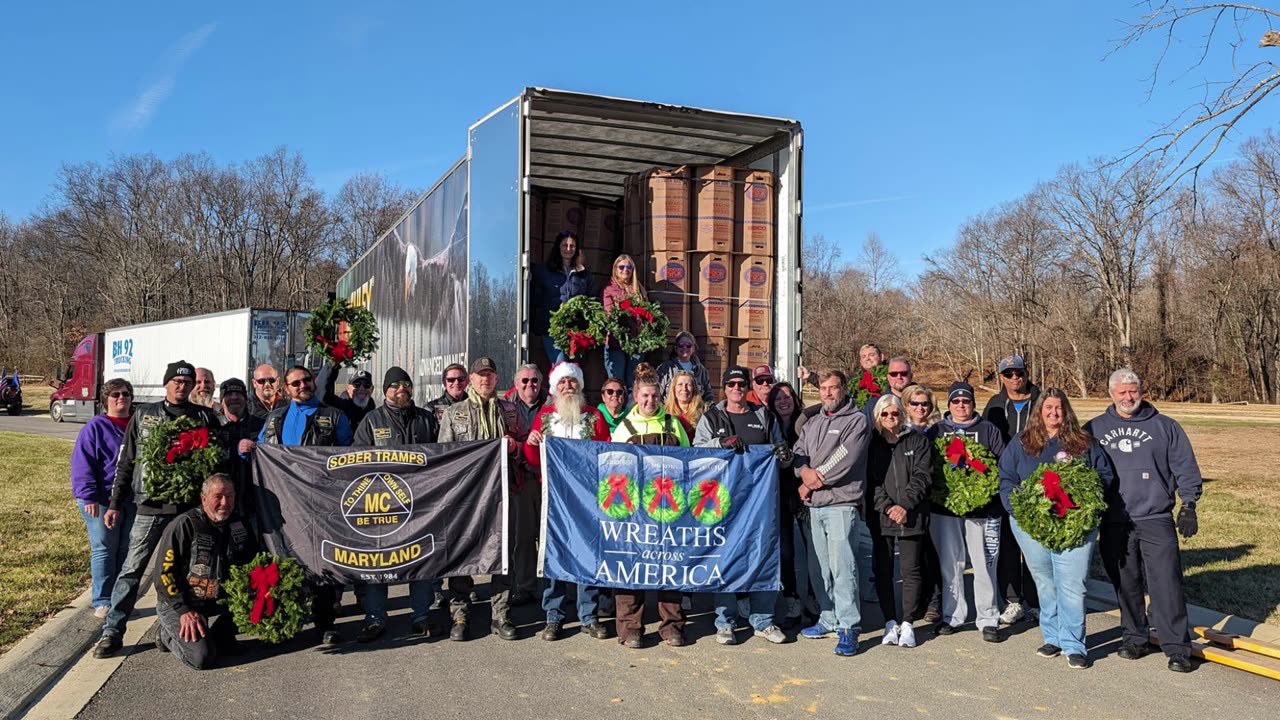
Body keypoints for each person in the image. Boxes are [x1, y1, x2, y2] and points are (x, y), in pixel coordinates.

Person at [94, 361, 224, 659]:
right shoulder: (144, 415)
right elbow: (126, 463)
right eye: (176, 381)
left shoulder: (204, 417)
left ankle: (175, 626)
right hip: (150, 507)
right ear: (166, 384)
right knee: (132, 570)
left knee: (192, 571)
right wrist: (115, 503)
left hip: (191, 509)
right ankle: (112, 631)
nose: (182, 386)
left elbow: (218, 461)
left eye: (187, 382)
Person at [1086, 369, 1202, 674]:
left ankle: (1176, 647)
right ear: (1111, 394)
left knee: (1167, 583)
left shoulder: (1165, 427)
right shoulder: (1095, 429)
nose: (1128, 397)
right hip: (1114, 520)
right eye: (1122, 392)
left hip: (1155, 517)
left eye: (1133, 391)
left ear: (1141, 391)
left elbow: (1186, 468)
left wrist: (1188, 504)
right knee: (1126, 583)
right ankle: (1135, 636)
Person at [998, 389, 1115, 669]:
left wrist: (1085, 506)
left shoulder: (1083, 443)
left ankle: (1074, 644)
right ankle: (1053, 637)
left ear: (1067, 411)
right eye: (1048, 407)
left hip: (1074, 525)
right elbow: (1006, 478)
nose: (1054, 413)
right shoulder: (1022, 443)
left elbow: (1104, 477)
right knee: (1045, 582)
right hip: (1031, 525)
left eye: (1059, 408)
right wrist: (1019, 510)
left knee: (1072, 584)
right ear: (1039, 411)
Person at [693, 366, 791, 646]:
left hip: (760, 502)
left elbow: (780, 455)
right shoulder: (712, 417)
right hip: (724, 503)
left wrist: (784, 455)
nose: (737, 388)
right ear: (724, 388)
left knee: (763, 557)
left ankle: (763, 620)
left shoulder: (764, 416)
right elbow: (696, 453)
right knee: (725, 561)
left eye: (741, 384)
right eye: (732, 384)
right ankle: (725, 622)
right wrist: (720, 443)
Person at [257, 365, 353, 645]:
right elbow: (260, 455)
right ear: (285, 389)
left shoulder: (334, 417)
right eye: (295, 383)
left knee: (322, 561)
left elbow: (350, 458)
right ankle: (291, 621)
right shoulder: (274, 420)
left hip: (322, 503)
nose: (302, 386)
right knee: (285, 559)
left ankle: (325, 623)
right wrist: (246, 450)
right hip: (284, 505)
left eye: (306, 380)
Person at [437, 356, 530, 641]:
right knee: (462, 551)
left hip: (503, 493)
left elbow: (525, 448)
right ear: (471, 380)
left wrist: (516, 446)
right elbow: (444, 456)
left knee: (503, 554)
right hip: (467, 496)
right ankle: (460, 613)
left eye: (490, 375)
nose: (485, 380)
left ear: (496, 378)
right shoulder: (455, 413)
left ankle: (500, 613)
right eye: (480, 376)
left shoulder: (511, 411)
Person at [524, 362, 612, 641]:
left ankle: (589, 615)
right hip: (554, 501)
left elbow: (606, 454)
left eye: (572, 381)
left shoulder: (594, 417)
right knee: (555, 556)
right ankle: (554, 615)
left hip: (587, 501)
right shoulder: (546, 416)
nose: (568, 386)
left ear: (580, 385)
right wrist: (531, 442)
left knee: (587, 555)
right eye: (562, 383)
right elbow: (532, 459)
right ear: (554, 388)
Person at [352, 367, 440, 642]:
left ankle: (421, 616)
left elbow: (446, 457)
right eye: (395, 385)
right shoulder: (371, 421)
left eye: (406, 384)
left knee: (421, 559)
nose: (401, 389)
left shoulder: (427, 419)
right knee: (379, 563)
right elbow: (357, 461)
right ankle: (375, 618)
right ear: (385, 390)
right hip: (383, 506)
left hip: (422, 505)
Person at [610, 363, 690, 647]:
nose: (650, 401)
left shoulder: (673, 424)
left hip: (668, 509)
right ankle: (631, 628)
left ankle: (672, 626)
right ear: (635, 395)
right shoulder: (624, 429)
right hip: (635, 513)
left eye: (655, 396)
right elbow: (614, 474)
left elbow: (688, 465)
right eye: (644, 396)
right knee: (632, 568)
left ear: (661, 395)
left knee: (670, 567)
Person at [793, 369, 871, 657]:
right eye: (823, 388)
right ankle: (828, 618)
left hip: (841, 504)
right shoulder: (813, 423)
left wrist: (812, 481)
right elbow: (798, 451)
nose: (827, 393)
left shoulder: (856, 421)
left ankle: (849, 626)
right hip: (815, 505)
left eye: (833, 388)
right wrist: (803, 473)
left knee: (843, 568)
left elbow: (844, 459)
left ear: (843, 389)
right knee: (820, 568)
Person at [928, 382, 1007, 642]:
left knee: (983, 563)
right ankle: (953, 615)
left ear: (973, 404)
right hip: (945, 508)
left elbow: (1000, 464)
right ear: (948, 405)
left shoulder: (987, 430)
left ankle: (988, 617)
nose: (961, 406)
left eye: (966, 401)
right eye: (956, 402)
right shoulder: (937, 431)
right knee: (951, 564)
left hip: (982, 510)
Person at [152, 474, 256, 670]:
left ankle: (221, 636)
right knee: (202, 659)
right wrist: (183, 611)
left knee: (260, 599)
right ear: (203, 499)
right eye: (218, 496)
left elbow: (253, 563)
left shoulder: (239, 524)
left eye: (230, 496)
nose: (225, 502)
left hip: (218, 598)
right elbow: (163, 576)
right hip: (182, 604)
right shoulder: (184, 525)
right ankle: (165, 635)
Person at [867, 393, 932, 648]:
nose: (890, 418)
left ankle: (907, 623)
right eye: (885, 414)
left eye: (894, 413)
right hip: (882, 515)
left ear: (902, 414)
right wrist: (887, 507)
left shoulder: (917, 440)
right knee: (883, 569)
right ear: (878, 417)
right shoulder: (872, 444)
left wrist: (905, 505)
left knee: (910, 570)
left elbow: (922, 476)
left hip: (911, 514)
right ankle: (889, 621)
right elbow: (872, 481)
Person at [983, 354, 1042, 626]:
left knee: (1035, 544)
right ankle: (1014, 601)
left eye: (1019, 372)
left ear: (1026, 373)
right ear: (1002, 377)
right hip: (1005, 481)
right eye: (1009, 374)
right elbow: (985, 441)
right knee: (1007, 545)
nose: (1015, 378)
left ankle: (1038, 601)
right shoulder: (995, 404)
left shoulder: (1041, 400)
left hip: (1037, 480)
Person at [71, 378, 134, 618]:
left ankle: (120, 599)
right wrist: (88, 497)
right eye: (115, 394)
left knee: (125, 549)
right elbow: (82, 464)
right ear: (105, 399)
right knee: (104, 547)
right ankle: (102, 600)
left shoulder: (136, 424)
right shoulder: (95, 427)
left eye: (126, 394)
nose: (121, 398)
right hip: (100, 497)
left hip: (129, 498)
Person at [767, 382, 812, 626]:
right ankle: (791, 599)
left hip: (804, 494)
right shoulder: (768, 425)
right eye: (778, 398)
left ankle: (815, 599)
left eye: (788, 397)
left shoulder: (806, 424)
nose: (783, 401)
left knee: (813, 550)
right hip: (779, 494)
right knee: (786, 551)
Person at [532, 230, 593, 365]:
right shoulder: (544, 271)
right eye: (565, 245)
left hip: (575, 330)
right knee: (560, 367)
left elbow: (590, 299)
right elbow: (536, 299)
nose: (568, 249)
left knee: (574, 369)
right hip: (552, 328)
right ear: (558, 247)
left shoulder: (583, 274)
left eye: (572, 246)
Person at [214, 378, 264, 517]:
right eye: (229, 394)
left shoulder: (260, 425)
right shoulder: (212, 426)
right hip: (221, 502)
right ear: (222, 400)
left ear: (246, 398)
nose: (234, 397)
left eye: (239, 394)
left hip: (253, 501)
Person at [601, 253, 646, 390]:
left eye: (629, 267)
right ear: (615, 269)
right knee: (617, 383)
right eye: (621, 267)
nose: (625, 270)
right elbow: (609, 314)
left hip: (637, 343)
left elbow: (648, 312)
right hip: (616, 342)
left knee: (634, 383)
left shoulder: (639, 289)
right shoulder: (609, 289)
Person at [656, 331, 714, 403]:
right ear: (676, 348)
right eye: (681, 345)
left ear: (693, 348)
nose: (684, 347)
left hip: (695, 412)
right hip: (671, 411)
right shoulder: (666, 368)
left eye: (688, 345)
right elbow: (657, 392)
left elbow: (708, 394)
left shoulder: (701, 370)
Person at [798, 343, 884, 389]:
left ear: (881, 357)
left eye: (871, 355)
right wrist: (809, 376)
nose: (867, 359)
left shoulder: (892, 375)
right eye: (864, 357)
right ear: (861, 362)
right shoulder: (854, 378)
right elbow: (834, 386)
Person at [317, 362, 375, 429]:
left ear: (372, 389)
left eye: (366, 385)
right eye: (357, 384)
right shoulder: (338, 408)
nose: (361, 388)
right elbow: (322, 394)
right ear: (348, 388)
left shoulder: (375, 413)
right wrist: (332, 364)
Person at [664, 370, 706, 437]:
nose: (684, 388)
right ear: (674, 388)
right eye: (680, 384)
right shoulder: (665, 412)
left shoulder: (703, 411)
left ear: (694, 389)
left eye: (688, 385)